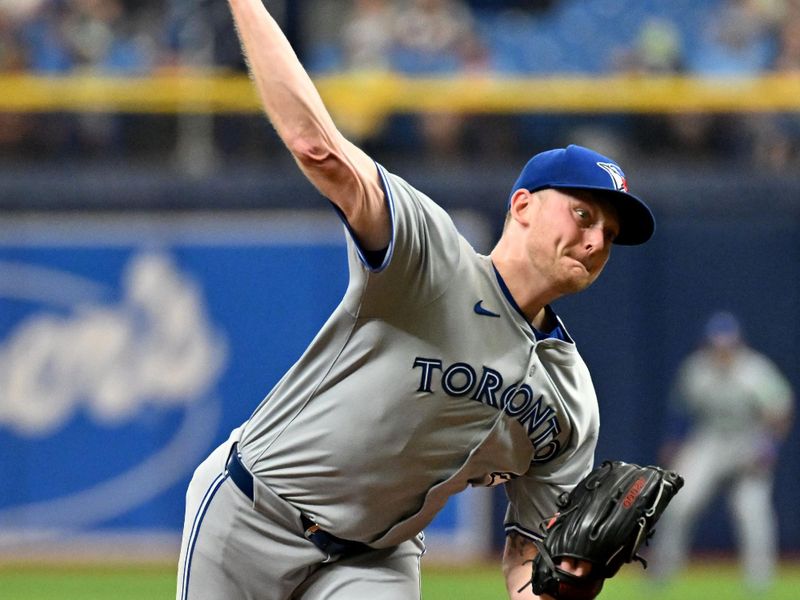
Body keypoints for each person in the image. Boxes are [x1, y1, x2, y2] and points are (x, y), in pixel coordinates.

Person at [176, 1, 655, 599]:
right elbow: (317, 148)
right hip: (255, 513)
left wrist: (561, 587)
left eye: (609, 235)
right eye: (583, 215)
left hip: (376, 558)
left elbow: (529, 560)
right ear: (523, 206)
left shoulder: (571, 400)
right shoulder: (431, 260)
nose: (594, 240)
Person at [649, 311, 794, 593]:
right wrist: (674, 444)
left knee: (752, 512)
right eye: (717, 345)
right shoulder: (696, 369)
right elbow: (680, 412)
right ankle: (662, 575)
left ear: (737, 344)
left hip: (747, 440)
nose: (722, 352)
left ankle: (759, 582)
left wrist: (769, 446)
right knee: (679, 503)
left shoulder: (755, 370)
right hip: (709, 439)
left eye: (727, 345)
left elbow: (780, 411)